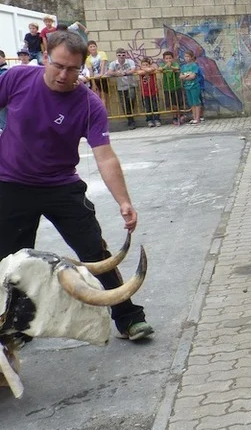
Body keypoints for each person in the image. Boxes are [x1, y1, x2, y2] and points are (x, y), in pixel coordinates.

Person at [0, 31, 153, 341]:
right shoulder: (17, 78)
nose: (63, 75)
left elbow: (105, 157)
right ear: (45, 57)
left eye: (73, 69)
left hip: (61, 186)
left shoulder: (89, 104)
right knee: (10, 262)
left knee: (94, 251)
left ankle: (128, 318)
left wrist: (124, 201)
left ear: (83, 66)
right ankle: (16, 328)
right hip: (11, 185)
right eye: (58, 66)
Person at [108, 48, 138, 129]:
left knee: (131, 100)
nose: (121, 56)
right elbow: (109, 72)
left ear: (125, 55)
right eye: (119, 55)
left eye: (123, 55)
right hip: (121, 87)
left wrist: (125, 73)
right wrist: (116, 73)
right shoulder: (113, 63)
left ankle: (131, 117)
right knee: (124, 105)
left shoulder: (130, 61)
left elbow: (133, 70)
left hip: (131, 85)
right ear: (116, 55)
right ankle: (130, 121)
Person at [159, 50, 186, 125]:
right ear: (164, 59)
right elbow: (159, 69)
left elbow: (176, 68)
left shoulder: (175, 64)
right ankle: (176, 116)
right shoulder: (162, 65)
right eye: (166, 58)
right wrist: (165, 66)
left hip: (176, 86)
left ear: (172, 58)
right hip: (167, 87)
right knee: (171, 103)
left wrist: (170, 66)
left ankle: (180, 115)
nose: (168, 60)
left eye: (170, 58)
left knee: (179, 102)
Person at [137, 57, 161, 127]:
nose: (145, 66)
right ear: (141, 65)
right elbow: (139, 72)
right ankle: (149, 120)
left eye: (146, 65)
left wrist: (146, 69)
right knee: (147, 107)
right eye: (143, 65)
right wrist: (147, 70)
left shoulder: (152, 69)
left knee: (155, 106)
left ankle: (157, 119)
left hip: (153, 91)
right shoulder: (140, 70)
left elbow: (153, 69)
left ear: (149, 65)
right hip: (145, 93)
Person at [180, 50, 203, 124]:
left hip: (194, 86)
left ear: (192, 57)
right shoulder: (183, 67)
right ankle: (194, 117)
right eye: (185, 56)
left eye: (188, 56)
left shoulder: (194, 66)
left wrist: (185, 77)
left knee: (196, 102)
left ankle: (197, 118)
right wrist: (187, 76)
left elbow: (193, 76)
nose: (186, 58)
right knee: (191, 103)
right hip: (187, 86)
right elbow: (181, 76)